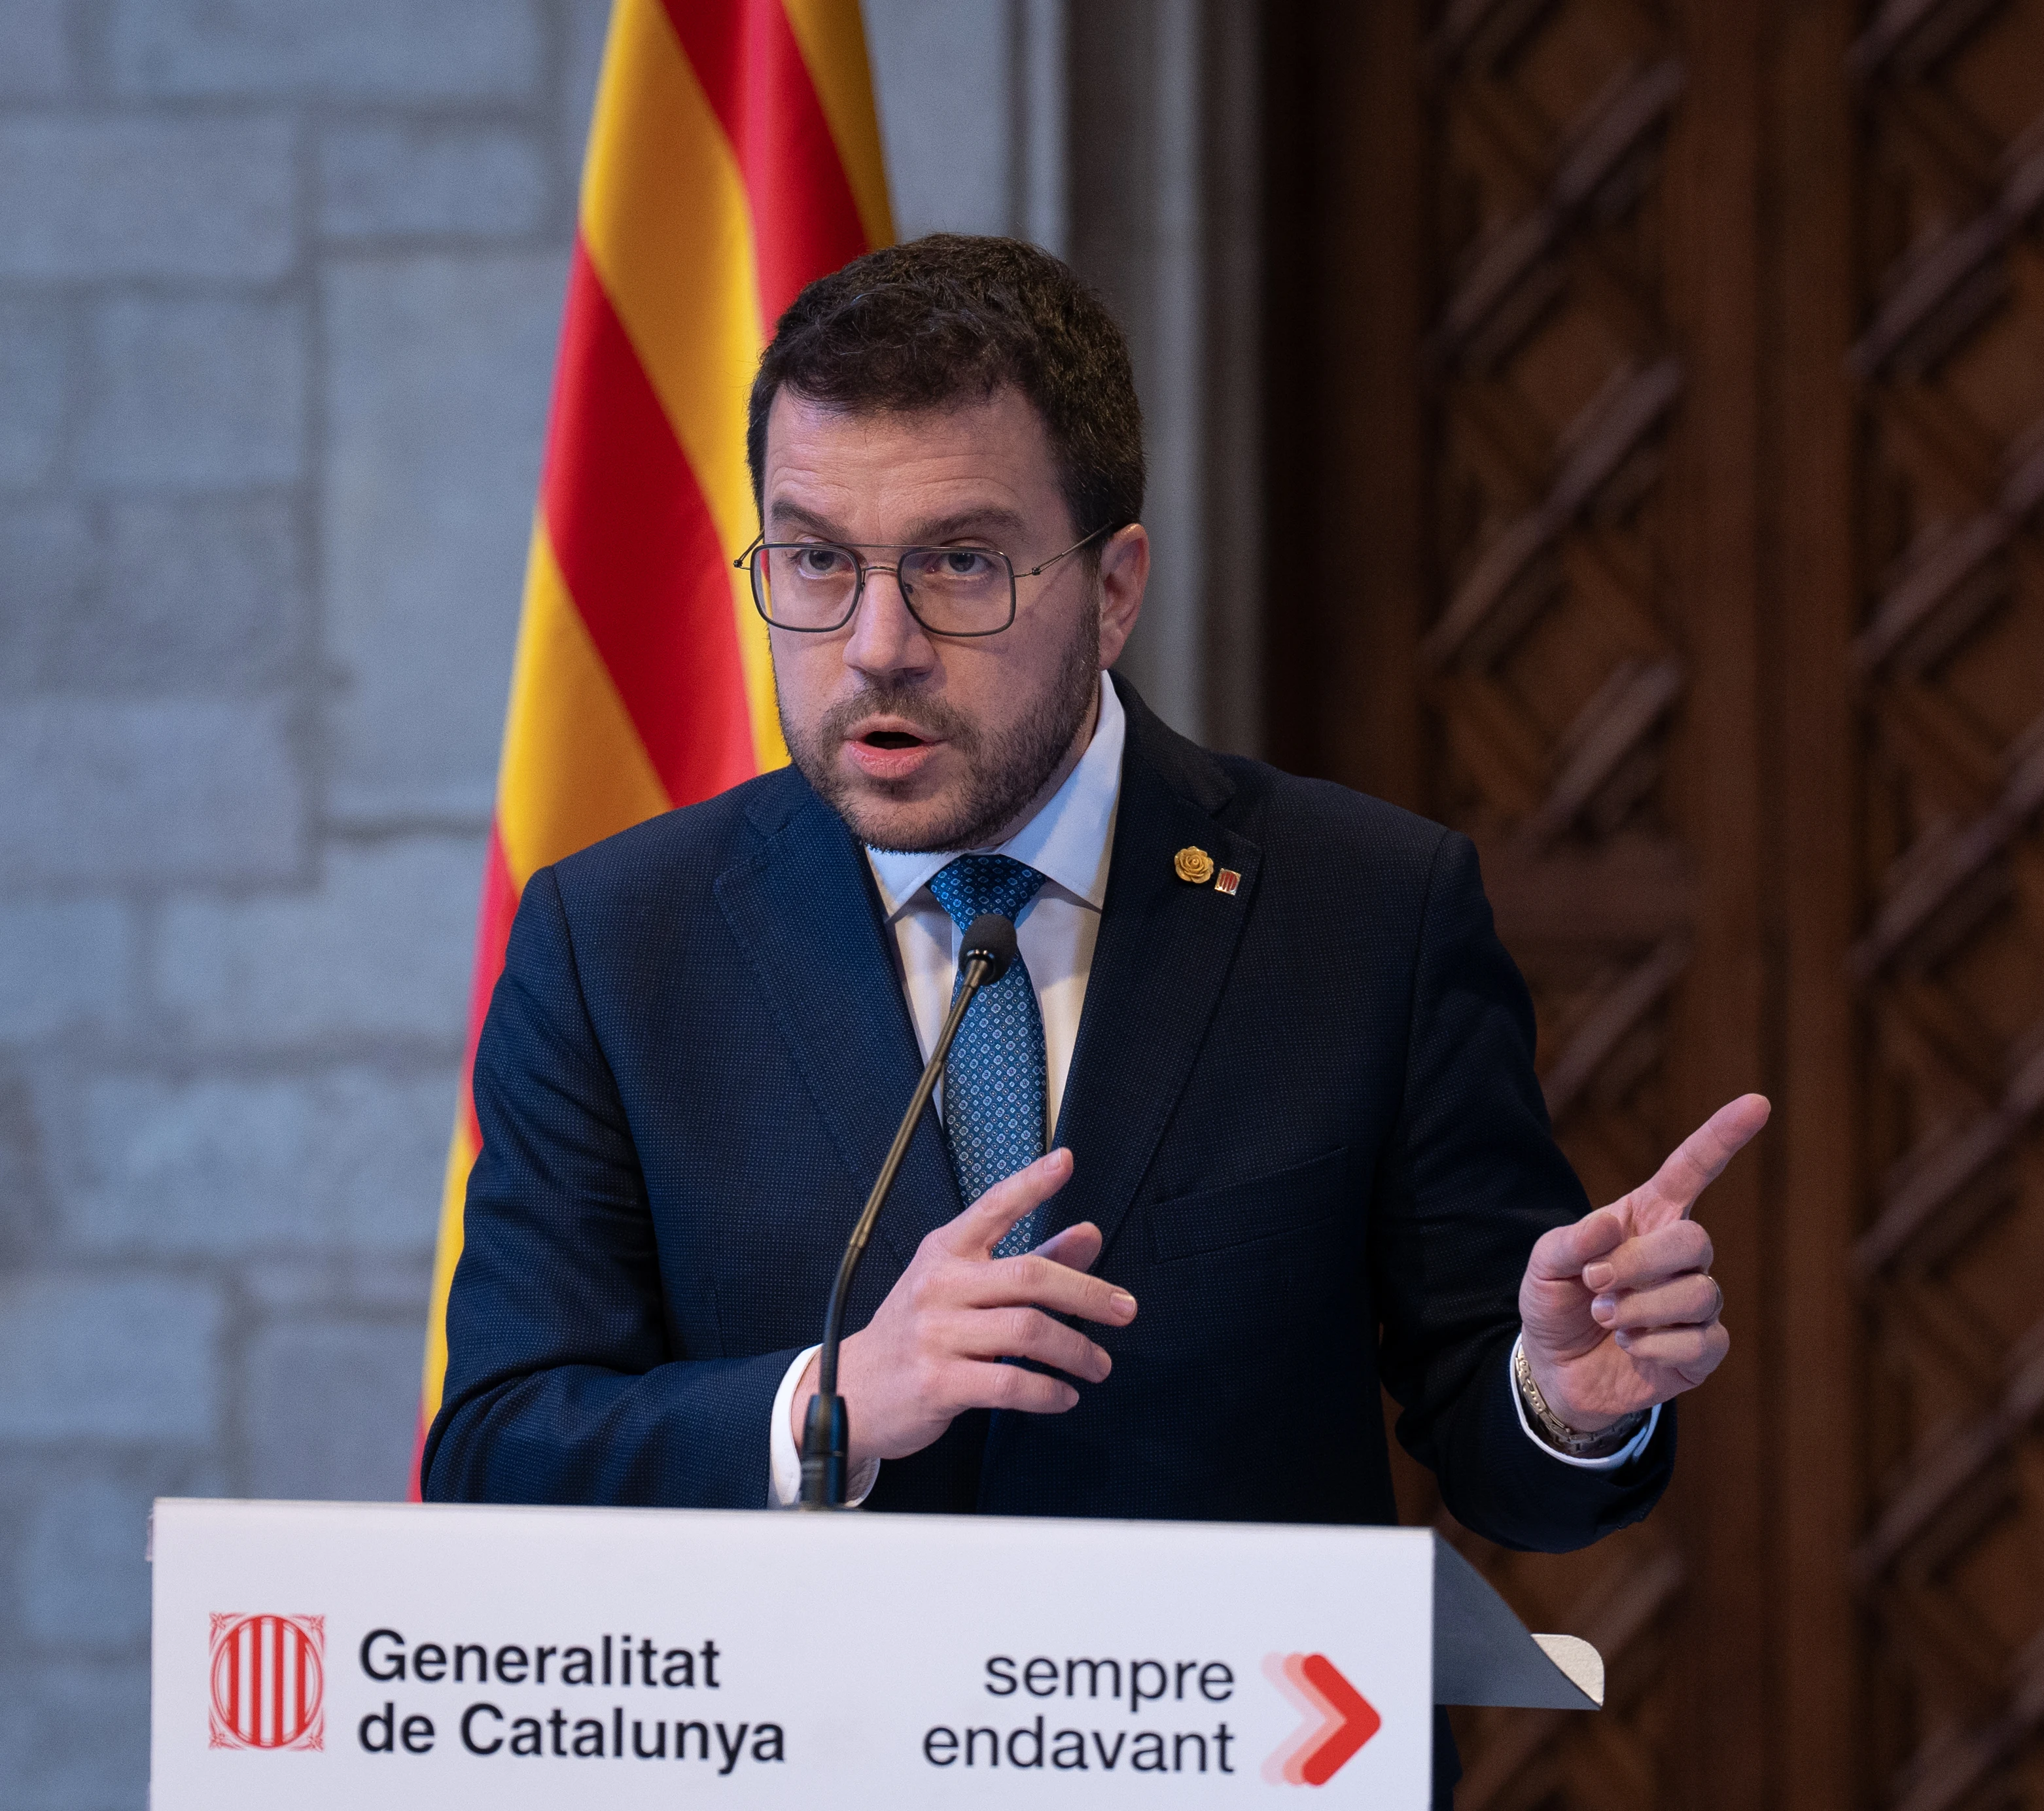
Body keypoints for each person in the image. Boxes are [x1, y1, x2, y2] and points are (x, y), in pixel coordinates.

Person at [425, 236, 1762, 1579]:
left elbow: (1502, 1443)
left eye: (959, 565)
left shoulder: (1367, 912)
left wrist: (1563, 1401)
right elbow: (498, 1454)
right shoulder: (617, 946)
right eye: (816, 563)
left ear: (1114, 590)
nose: (877, 644)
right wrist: (823, 1405)